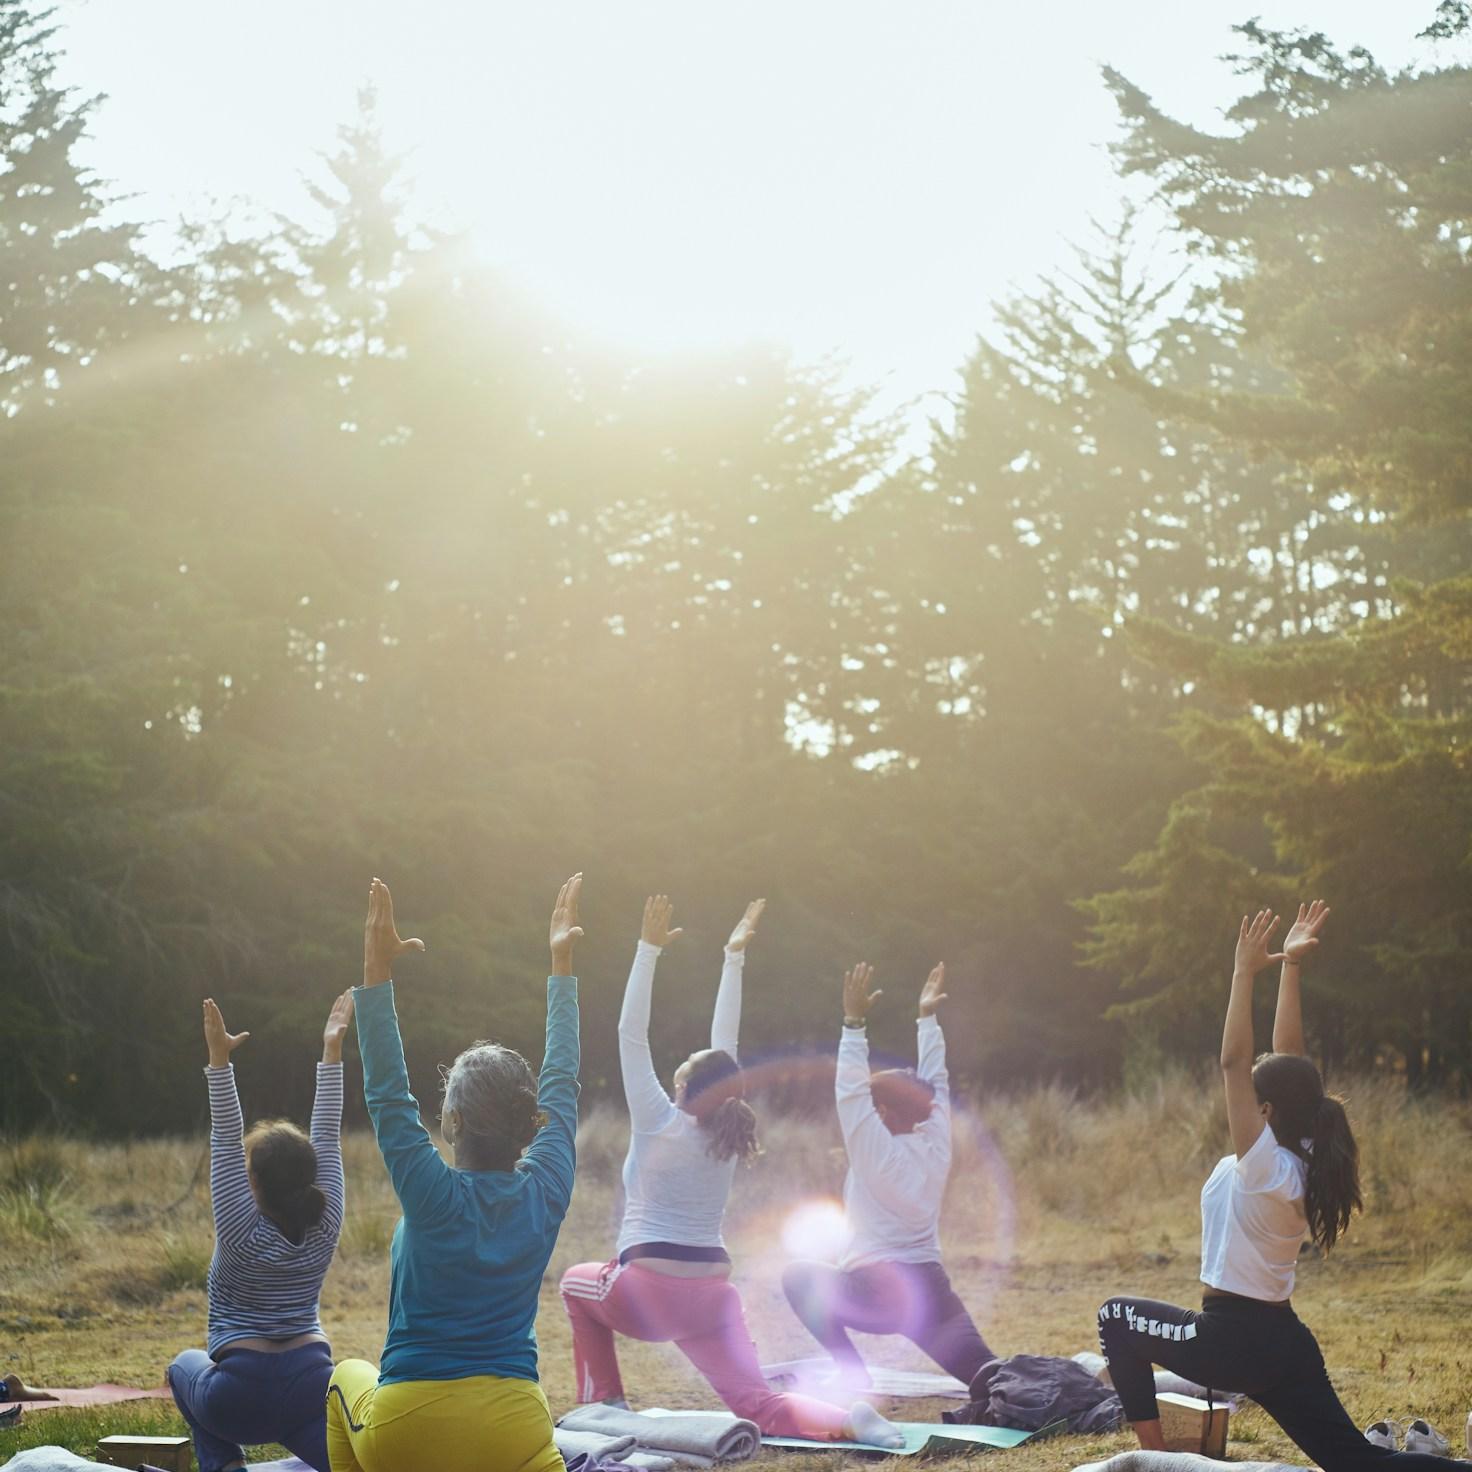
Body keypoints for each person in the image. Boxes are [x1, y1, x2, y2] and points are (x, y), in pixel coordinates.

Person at [1097, 902, 1453, 1471]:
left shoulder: (1265, 1166)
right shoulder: (1303, 1153)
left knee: (1113, 1316)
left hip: (1229, 1342)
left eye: (1253, 1094)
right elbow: (1291, 1061)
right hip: (1282, 1343)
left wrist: (1243, 973)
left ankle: (1156, 1462)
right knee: (1356, 1463)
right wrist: (1289, 965)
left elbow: (1234, 1061)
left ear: (1265, 1109)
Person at [560, 895, 903, 1448]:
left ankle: (606, 1405)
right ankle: (852, 1420)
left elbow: (631, 1032)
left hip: (645, 1292)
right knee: (757, 1403)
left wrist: (647, 949)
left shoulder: (658, 1120)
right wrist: (733, 957)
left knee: (574, 1284)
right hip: (713, 1296)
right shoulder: (725, 1133)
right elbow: (727, 1047)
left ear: (683, 1085)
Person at [326, 874, 583, 1472]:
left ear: (455, 1123)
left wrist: (376, 967)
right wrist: (561, 964)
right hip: (516, 1427)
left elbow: (388, 1094)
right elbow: (563, 1084)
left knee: (343, 1376)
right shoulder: (546, 1188)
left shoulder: (431, 1195)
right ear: (527, 1123)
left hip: (410, 1428)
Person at [782, 960, 995, 1390]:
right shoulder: (936, 1141)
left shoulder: (873, 1151)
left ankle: (852, 1374)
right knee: (993, 1377)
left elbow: (850, 1093)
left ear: (882, 1111)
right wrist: (927, 1020)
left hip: (875, 1294)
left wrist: (854, 1023)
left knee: (797, 1277)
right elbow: (937, 1083)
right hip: (931, 1294)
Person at [168, 988, 353, 1472]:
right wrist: (332, 1052)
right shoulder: (327, 1219)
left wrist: (219, 1061)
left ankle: (225, 1465)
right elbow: (328, 1133)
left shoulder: (237, 1227)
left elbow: (226, 1135)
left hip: (238, 1399)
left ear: (252, 1182)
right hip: (313, 1385)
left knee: (181, 1366)